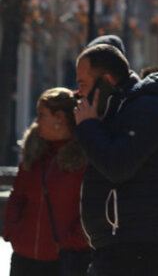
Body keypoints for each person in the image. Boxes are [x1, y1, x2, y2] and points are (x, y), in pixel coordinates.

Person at [72, 38, 158, 276]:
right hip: (118, 244)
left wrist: (90, 127)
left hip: (138, 246)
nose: (78, 92)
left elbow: (118, 166)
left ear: (106, 81)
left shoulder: (147, 109)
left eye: (83, 83)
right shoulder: (120, 108)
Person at [4, 88, 90, 276]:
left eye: (41, 115)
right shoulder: (34, 153)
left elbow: (91, 207)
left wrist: (69, 242)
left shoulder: (85, 158)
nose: (36, 122)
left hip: (64, 261)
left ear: (59, 118)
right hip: (23, 259)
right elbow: (17, 196)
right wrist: (12, 232)